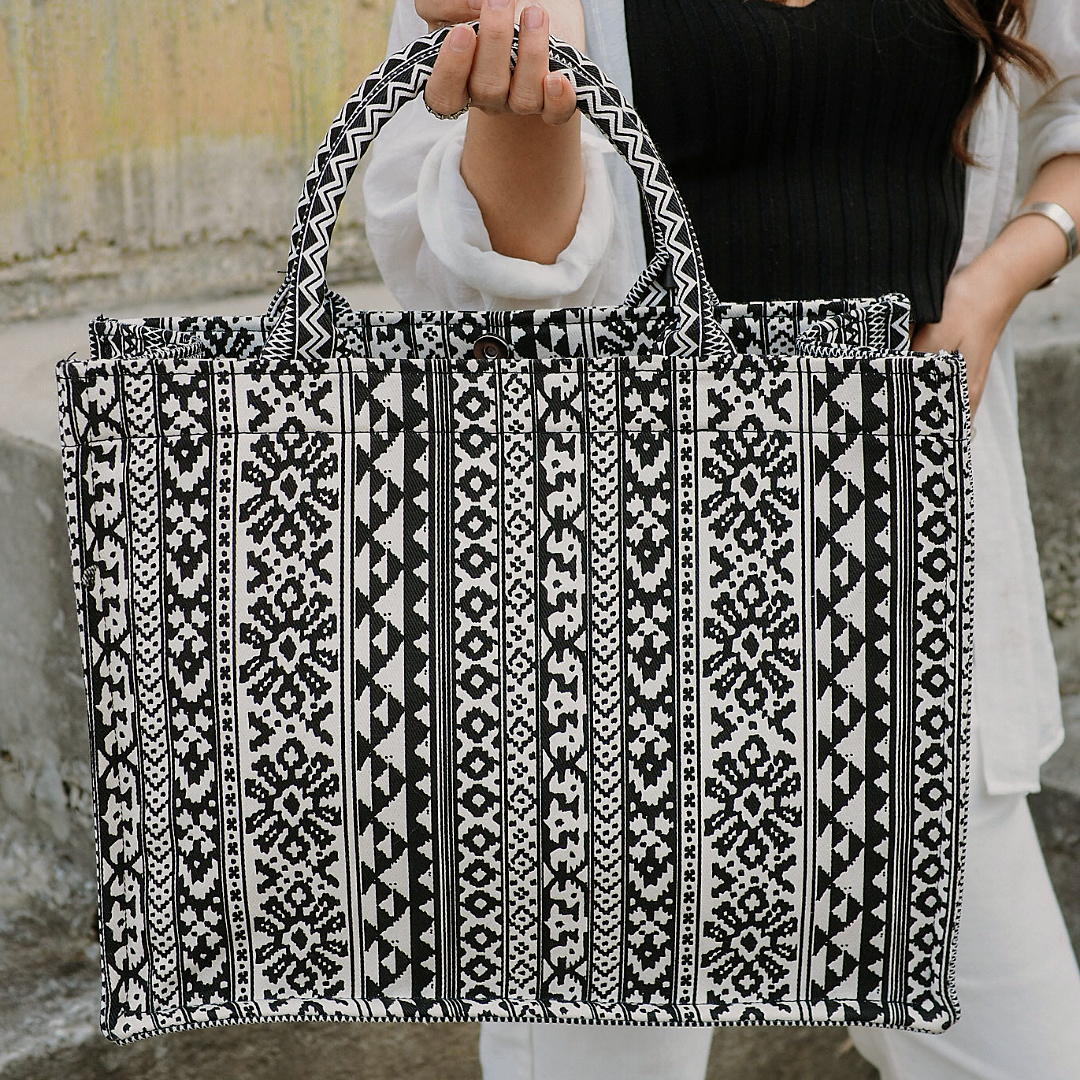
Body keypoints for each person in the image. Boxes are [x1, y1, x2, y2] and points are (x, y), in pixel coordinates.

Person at [362, 1, 1080, 1077]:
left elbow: (1068, 103)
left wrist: (997, 280)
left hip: (904, 610)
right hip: (616, 649)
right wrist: (534, 109)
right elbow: (469, 278)